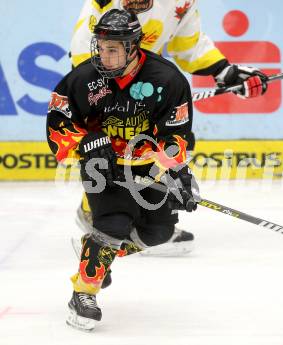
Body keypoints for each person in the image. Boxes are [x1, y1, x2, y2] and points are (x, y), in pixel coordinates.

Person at [70, 0, 268, 257]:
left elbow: (187, 44)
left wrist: (225, 71)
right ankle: (96, 215)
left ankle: (149, 219)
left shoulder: (181, 2)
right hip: (106, 81)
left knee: (172, 143)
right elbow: (84, 50)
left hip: (146, 80)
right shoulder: (106, 3)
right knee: (111, 150)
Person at [47, 9, 199, 331]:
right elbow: (59, 121)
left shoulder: (166, 79)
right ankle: (83, 293)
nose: (104, 54)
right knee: (113, 223)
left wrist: (176, 173)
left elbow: (177, 135)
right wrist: (86, 140)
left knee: (156, 233)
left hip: (144, 167)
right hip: (102, 166)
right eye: (101, 46)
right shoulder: (84, 78)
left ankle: (98, 255)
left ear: (133, 47)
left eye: (112, 48)